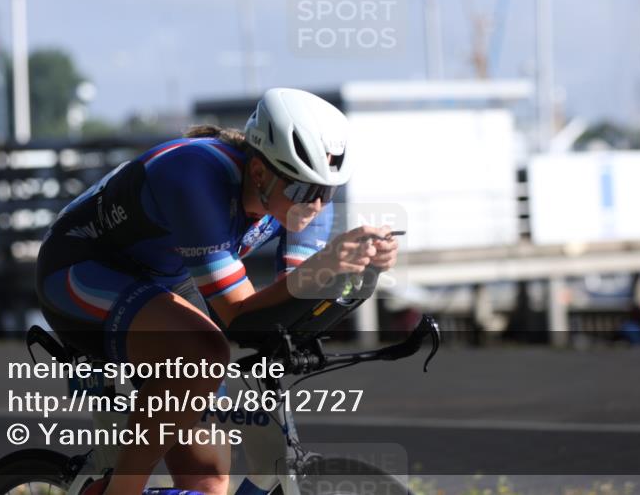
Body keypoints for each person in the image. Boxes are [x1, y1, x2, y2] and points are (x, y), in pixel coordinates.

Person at [35, 88, 399, 495]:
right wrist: (327, 261)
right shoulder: (195, 175)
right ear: (259, 173)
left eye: (326, 191)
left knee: (208, 480)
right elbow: (238, 314)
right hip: (80, 269)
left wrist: (356, 274)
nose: (315, 204)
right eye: (301, 190)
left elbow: (290, 304)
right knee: (205, 354)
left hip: (166, 283)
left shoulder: (309, 197)